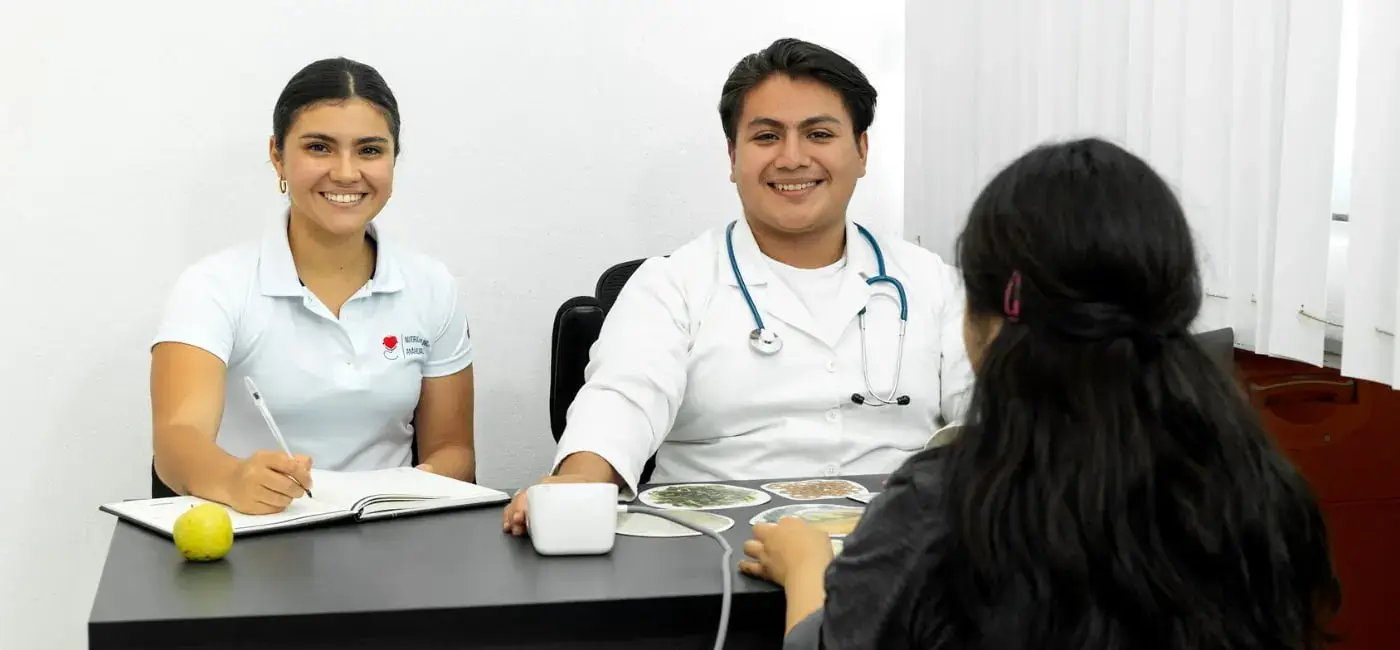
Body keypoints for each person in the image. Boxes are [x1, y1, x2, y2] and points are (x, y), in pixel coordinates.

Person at [739, 137, 1343, 649]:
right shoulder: (1256, 488)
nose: (792, 156)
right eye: (767, 136)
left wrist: (806, 568)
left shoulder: (940, 506)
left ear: (989, 320)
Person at [504, 38, 974, 535]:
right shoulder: (672, 284)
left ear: (861, 150)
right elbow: (622, 397)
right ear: (733, 156)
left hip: (900, 544)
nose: (792, 158)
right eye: (767, 136)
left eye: (818, 134)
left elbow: (990, 408)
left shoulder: (933, 283)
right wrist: (577, 482)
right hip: (712, 546)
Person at [150, 58, 476, 515]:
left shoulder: (432, 286)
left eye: (369, 150)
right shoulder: (213, 286)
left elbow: (454, 451)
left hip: (390, 535)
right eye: (319, 147)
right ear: (277, 155)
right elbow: (176, 441)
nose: (345, 173)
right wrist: (233, 478)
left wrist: (406, 492)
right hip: (257, 532)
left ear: (393, 160)